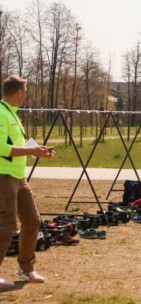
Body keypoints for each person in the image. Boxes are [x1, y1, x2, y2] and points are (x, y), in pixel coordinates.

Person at [0, 75, 55, 289]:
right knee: (6, 225)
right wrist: (31, 150)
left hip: (18, 176)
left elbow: (17, 144)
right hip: (4, 177)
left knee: (32, 220)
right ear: (20, 92)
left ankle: (25, 268)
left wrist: (36, 150)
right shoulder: (1, 114)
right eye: (26, 91)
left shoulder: (13, 115)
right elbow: (2, 149)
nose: (26, 95)